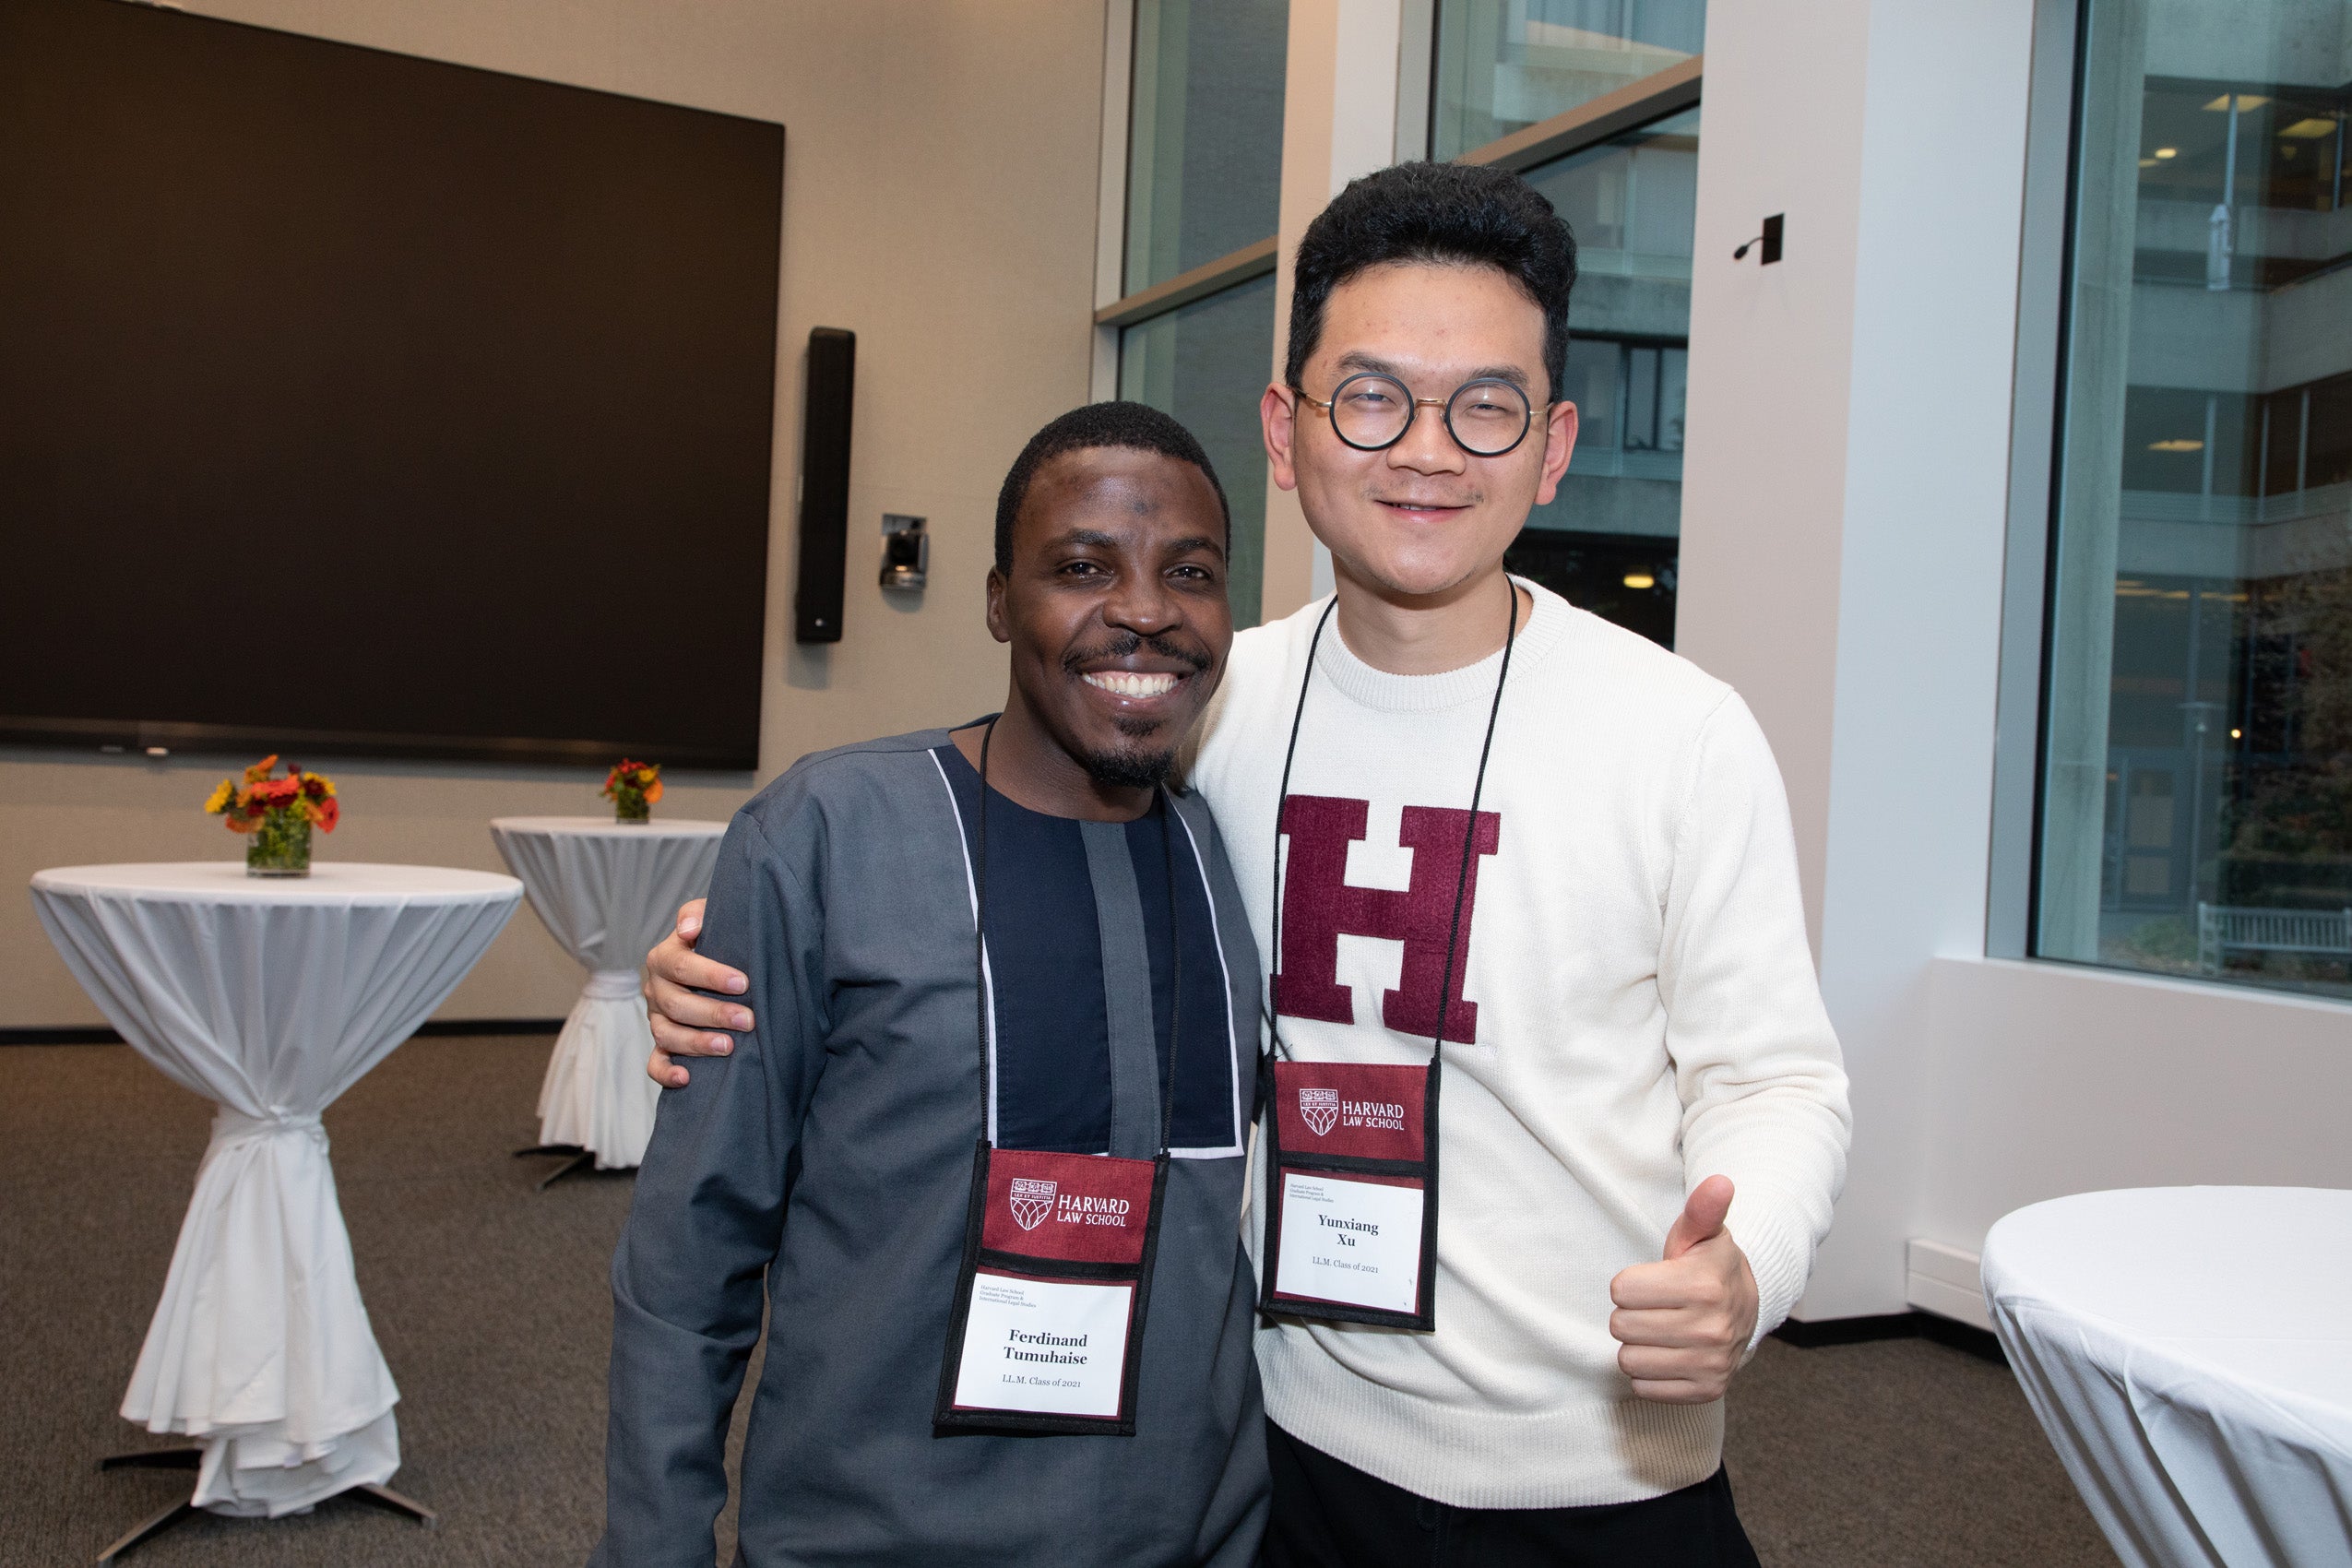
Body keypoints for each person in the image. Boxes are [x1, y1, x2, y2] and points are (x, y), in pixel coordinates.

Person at [647, 162, 1851, 1566]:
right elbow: (981, 842)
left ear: (1555, 442)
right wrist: (730, 957)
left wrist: (1744, 1265)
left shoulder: (1678, 734)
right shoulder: (1205, 704)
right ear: (1286, 432)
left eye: (1486, 406)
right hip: (1286, 1459)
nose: (1425, 450)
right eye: (1371, 395)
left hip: (1594, 1474)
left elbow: (1774, 1078)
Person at [591, 402, 1270, 1567]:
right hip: (873, 1534)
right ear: (1002, 600)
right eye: (1081, 566)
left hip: (1193, 1533)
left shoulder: (1240, 845)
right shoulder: (830, 833)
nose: (1145, 609)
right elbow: (692, 1253)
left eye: (1190, 572)